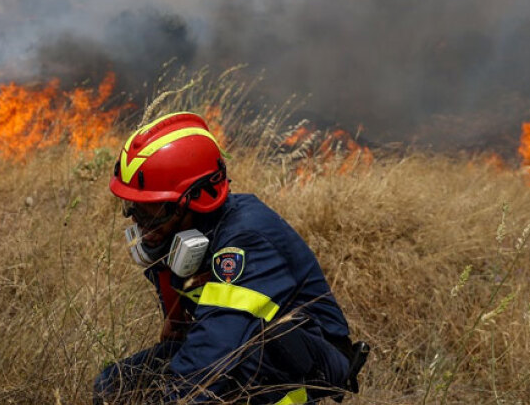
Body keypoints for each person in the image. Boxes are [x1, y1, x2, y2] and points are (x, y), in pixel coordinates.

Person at [94, 112, 368, 405]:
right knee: (112, 386)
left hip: (300, 357)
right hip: (240, 340)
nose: (138, 221)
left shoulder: (245, 239)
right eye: (133, 207)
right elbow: (183, 324)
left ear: (196, 198)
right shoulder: (180, 231)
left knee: (219, 378)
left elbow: (213, 349)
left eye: (151, 210)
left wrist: (170, 398)